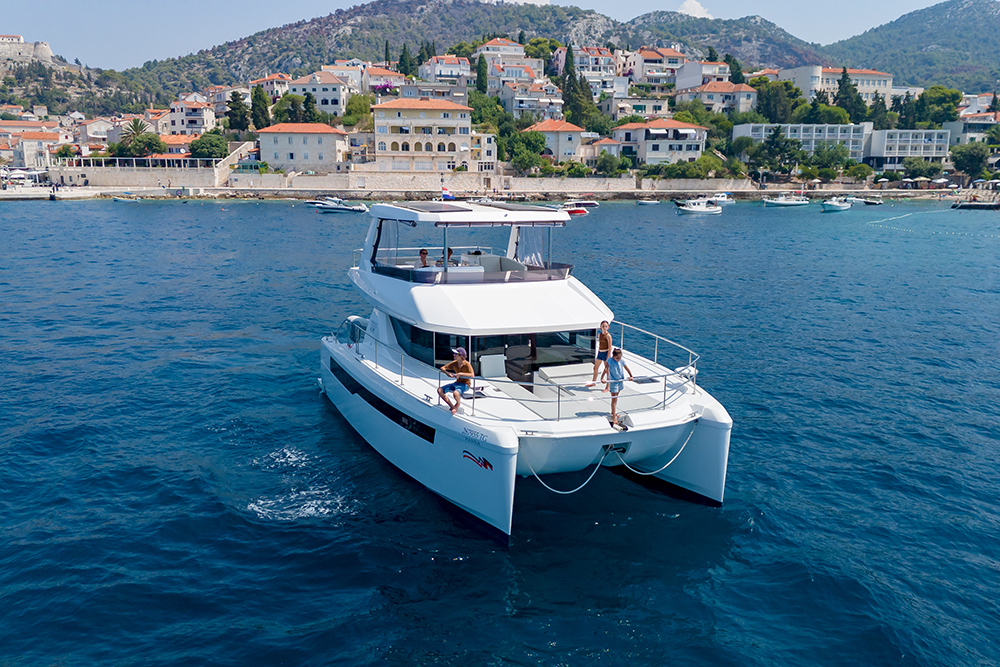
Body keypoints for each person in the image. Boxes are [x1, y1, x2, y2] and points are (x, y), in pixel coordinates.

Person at [438, 347, 474, 415]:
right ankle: (452, 406)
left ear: (461, 356)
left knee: (456, 393)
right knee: (440, 390)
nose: (454, 355)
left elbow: (472, 375)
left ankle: (457, 404)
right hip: (457, 383)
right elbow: (442, 368)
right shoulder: (454, 363)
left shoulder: (467, 364)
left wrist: (460, 374)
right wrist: (447, 373)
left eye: (455, 354)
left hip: (465, 384)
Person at [603, 348, 633, 427]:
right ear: (613, 356)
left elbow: (626, 368)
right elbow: (605, 368)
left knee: (616, 398)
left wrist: (631, 376)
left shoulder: (622, 361)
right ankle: (614, 417)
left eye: (619, 358)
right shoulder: (610, 360)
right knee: (614, 398)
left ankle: (613, 412)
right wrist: (602, 378)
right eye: (617, 358)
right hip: (613, 382)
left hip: (620, 381)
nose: (618, 359)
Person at [587, 320, 612, 387]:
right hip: (600, 353)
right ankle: (593, 382)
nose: (604, 327)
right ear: (600, 327)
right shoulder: (600, 335)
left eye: (606, 326)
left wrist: (608, 357)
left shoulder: (608, 336)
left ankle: (608, 386)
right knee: (595, 367)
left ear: (608, 327)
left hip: (606, 353)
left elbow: (610, 347)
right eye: (603, 326)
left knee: (606, 369)